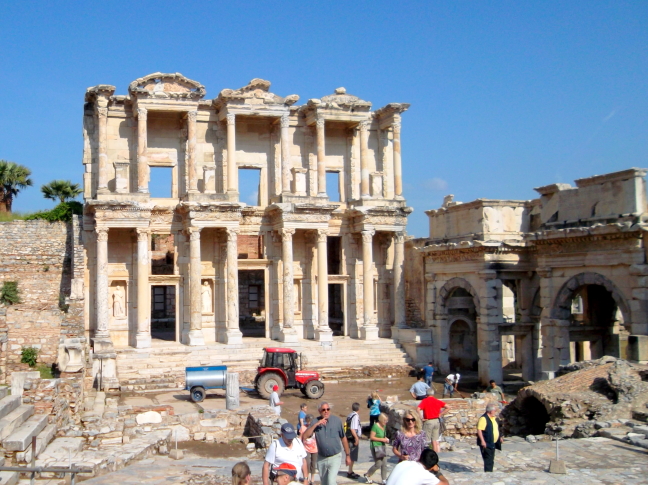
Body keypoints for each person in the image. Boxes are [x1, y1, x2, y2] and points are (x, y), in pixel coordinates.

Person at [302, 402, 352, 485]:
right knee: (325, 483)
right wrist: (316, 424)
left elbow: (343, 438)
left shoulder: (337, 421)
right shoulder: (315, 421)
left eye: (328, 409)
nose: (326, 411)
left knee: (331, 482)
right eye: (323, 410)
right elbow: (305, 436)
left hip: (335, 457)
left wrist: (347, 455)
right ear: (319, 411)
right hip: (322, 458)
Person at [417, 388, 447, 453]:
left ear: (426, 394)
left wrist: (421, 418)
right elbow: (448, 407)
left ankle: (426, 454)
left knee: (426, 440)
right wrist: (441, 414)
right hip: (436, 421)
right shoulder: (437, 401)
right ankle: (435, 454)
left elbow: (418, 409)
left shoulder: (425, 401)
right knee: (435, 440)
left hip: (429, 421)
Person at [476, 403, 503, 472]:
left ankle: (490, 472)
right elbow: (479, 430)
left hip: (492, 442)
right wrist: (482, 441)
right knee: (488, 459)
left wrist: (500, 437)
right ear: (491, 411)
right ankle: (488, 473)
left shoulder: (494, 418)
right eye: (495, 411)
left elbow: (497, 428)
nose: (495, 412)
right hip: (486, 442)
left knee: (491, 459)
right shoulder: (483, 418)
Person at [363, 412, 389, 484]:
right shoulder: (375, 426)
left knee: (384, 463)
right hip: (376, 446)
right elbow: (371, 437)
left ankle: (384, 480)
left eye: (386, 420)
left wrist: (385, 439)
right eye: (384, 420)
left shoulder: (384, 426)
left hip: (382, 446)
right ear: (380, 420)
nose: (386, 422)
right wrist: (382, 439)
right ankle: (368, 474)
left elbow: (382, 436)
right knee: (378, 464)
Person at [345, 403, 362, 479]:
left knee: (351, 454)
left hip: (349, 437)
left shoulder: (350, 415)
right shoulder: (355, 416)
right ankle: (350, 472)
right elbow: (353, 429)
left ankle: (350, 470)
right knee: (353, 455)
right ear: (359, 409)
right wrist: (357, 438)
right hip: (353, 438)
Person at [300, 414, 318, 485]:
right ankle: (307, 478)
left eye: (310, 421)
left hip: (315, 448)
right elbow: (301, 437)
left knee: (313, 464)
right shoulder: (303, 427)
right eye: (308, 421)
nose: (309, 423)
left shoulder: (315, 428)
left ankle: (312, 480)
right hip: (306, 448)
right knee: (307, 463)